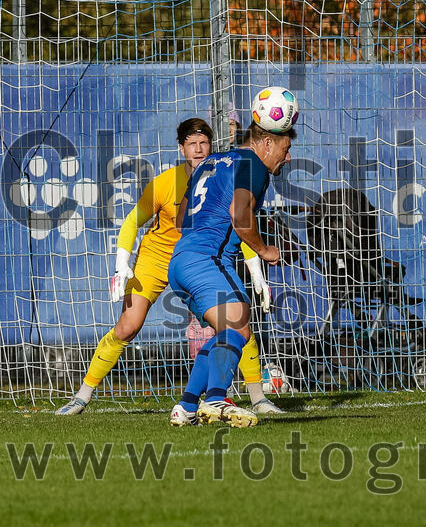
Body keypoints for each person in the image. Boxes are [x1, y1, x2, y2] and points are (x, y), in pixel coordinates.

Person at [56, 119, 282, 416]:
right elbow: (132, 221)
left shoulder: (221, 171)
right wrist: (121, 264)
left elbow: (235, 230)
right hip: (158, 260)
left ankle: (256, 399)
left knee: (233, 324)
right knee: (128, 327)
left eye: (204, 143)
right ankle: (82, 396)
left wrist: (256, 273)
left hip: (196, 260)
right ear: (181, 148)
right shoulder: (165, 182)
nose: (199, 149)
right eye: (192, 144)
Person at [168, 122, 294, 427]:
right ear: (265, 143)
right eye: (285, 149)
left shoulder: (211, 162)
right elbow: (240, 217)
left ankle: (186, 407)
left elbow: (182, 217)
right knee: (238, 324)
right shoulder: (253, 164)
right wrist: (265, 251)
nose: (287, 157)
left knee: (232, 333)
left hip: (181, 261)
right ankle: (216, 398)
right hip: (207, 259)